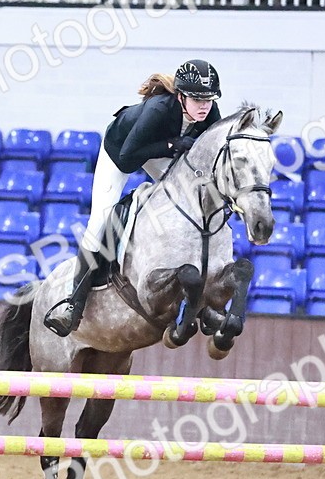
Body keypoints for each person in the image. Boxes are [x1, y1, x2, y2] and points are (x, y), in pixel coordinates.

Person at [43, 59, 223, 337]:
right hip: (121, 151)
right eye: (197, 99)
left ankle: (203, 294)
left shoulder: (210, 115)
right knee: (100, 219)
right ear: (180, 96)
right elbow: (128, 160)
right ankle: (73, 304)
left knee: (194, 199)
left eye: (209, 99)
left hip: (163, 153)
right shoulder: (158, 110)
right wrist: (171, 144)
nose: (204, 106)